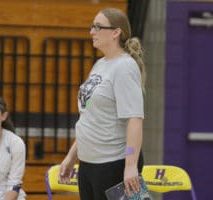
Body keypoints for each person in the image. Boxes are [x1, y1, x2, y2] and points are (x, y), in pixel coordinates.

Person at [59, 8, 148, 200]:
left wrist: (131, 165)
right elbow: (90, 117)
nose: (92, 31)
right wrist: (72, 156)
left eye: (98, 27)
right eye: (92, 26)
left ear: (116, 32)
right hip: (88, 164)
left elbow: (135, 119)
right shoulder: (100, 64)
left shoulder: (125, 67)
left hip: (113, 164)